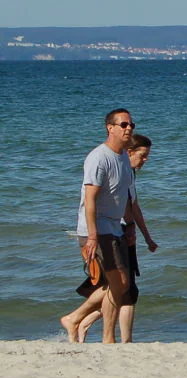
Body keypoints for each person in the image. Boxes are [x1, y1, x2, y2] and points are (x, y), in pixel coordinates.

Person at [59, 109, 138, 343]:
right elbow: (90, 198)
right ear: (110, 127)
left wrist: (131, 225)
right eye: (123, 124)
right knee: (119, 283)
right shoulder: (98, 157)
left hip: (115, 227)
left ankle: (76, 319)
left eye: (131, 124)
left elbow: (123, 196)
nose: (128, 128)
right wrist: (92, 236)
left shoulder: (123, 156)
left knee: (119, 284)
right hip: (97, 229)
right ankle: (105, 337)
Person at [75, 134, 158, 342]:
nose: (146, 160)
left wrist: (145, 236)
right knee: (124, 289)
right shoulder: (109, 162)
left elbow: (132, 206)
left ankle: (88, 324)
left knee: (121, 288)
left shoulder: (127, 172)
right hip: (109, 232)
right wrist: (93, 235)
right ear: (129, 152)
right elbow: (126, 206)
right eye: (143, 155)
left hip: (119, 232)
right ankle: (81, 321)